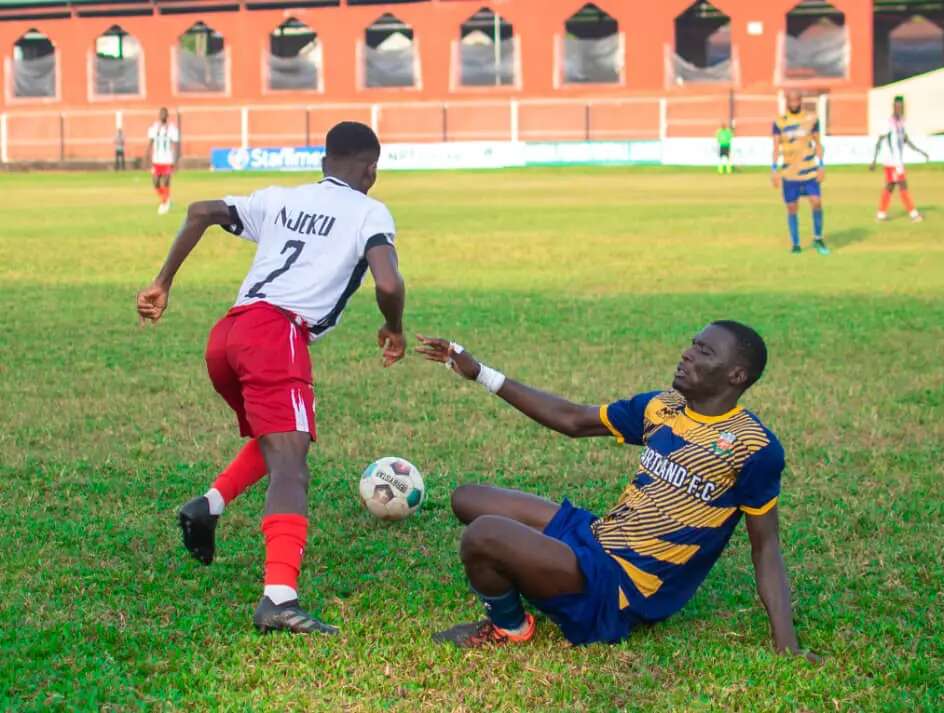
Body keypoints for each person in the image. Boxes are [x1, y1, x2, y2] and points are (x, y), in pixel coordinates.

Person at [135, 122, 407, 635]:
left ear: (324, 161)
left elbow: (201, 211)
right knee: (291, 468)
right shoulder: (370, 211)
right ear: (371, 169)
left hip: (229, 334)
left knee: (283, 440)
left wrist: (162, 281)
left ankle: (208, 505)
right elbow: (388, 281)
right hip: (276, 336)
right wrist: (394, 327)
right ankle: (278, 598)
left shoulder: (281, 198)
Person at [414, 323, 818, 664]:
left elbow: (766, 548)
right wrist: (481, 372)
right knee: (467, 498)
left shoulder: (753, 448)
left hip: (620, 588)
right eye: (692, 345)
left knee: (484, 535)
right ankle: (536, 566)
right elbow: (573, 419)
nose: (687, 354)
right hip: (599, 538)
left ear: (736, 375)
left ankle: (510, 626)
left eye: (704, 352)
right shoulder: (664, 407)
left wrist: (787, 644)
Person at [771, 90, 828, 255]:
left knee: (816, 202)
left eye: (797, 100)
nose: (794, 103)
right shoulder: (779, 122)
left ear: (801, 101)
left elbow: (818, 144)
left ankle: (818, 238)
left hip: (809, 170)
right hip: (789, 173)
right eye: (791, 100)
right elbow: (775, 147)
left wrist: (821, 165)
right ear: (787, 102)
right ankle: (796, 244)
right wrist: (774, 169)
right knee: (791, 207)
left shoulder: (811, 119)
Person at [870, 95, 928, 222]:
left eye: (901, 106)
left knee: (890, 186)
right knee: (902, 185)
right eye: (896, 106)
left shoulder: (901, 122)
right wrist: (874, 160)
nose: (899, 109)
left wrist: (920, 151)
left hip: (898, 162)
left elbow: (905, 140)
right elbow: (879, 141)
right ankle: (914, 214)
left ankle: (881, 215)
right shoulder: (888, 123)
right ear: (893, 107)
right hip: (892, 162)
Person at [146, 107, 180, 215]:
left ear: (167, 116)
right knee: (155, 182)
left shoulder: (172, 129)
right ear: (159, 115)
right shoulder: (154, 128)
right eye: (161, 113)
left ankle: (164, 203)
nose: (163, 115)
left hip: (167, 160)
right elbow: (150, 143)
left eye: (164, 114)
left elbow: (175, 146)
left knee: (165, 181)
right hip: (156, 160)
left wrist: (175, 161)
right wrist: (147, 157)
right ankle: (165, 199)